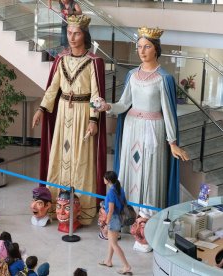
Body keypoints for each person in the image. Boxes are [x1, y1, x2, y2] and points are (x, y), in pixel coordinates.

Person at [97, 27, 189, 222]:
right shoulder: (132, 75)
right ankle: (125, 214)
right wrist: (108, 106)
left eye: (147, 46)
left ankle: (147, 218)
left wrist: (172, 142)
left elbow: (169, 113)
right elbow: (124, 103)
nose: (142, 51)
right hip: (131, 127)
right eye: (139, 47)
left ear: (156, 48)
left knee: (149, 171)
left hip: (153, 130)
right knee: (129, 169)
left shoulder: (164, 78)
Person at [32, 14, 107, 226]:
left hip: (83, 114)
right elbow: (52, 89)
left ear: (85, 35)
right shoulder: (61, 59)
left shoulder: (94, 62)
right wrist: (41, 109)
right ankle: (57, 206)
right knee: (61, 155)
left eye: (77, 33)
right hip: (63, 112)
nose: (72, 37)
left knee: (81, 159)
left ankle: (82, 209)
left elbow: (96, 94)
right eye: (69, 33)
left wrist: (94, 120)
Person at [99, 171, 132, 275]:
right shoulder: (119, 189)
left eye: (104, 178)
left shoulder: (111, 192)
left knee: (114, 243)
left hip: (113, 219)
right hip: (118, 218)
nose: (103, 179)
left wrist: (106, 222)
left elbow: (111, 209)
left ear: (108, 180)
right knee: (111, 241)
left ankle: (126, 266)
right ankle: (108, 261)